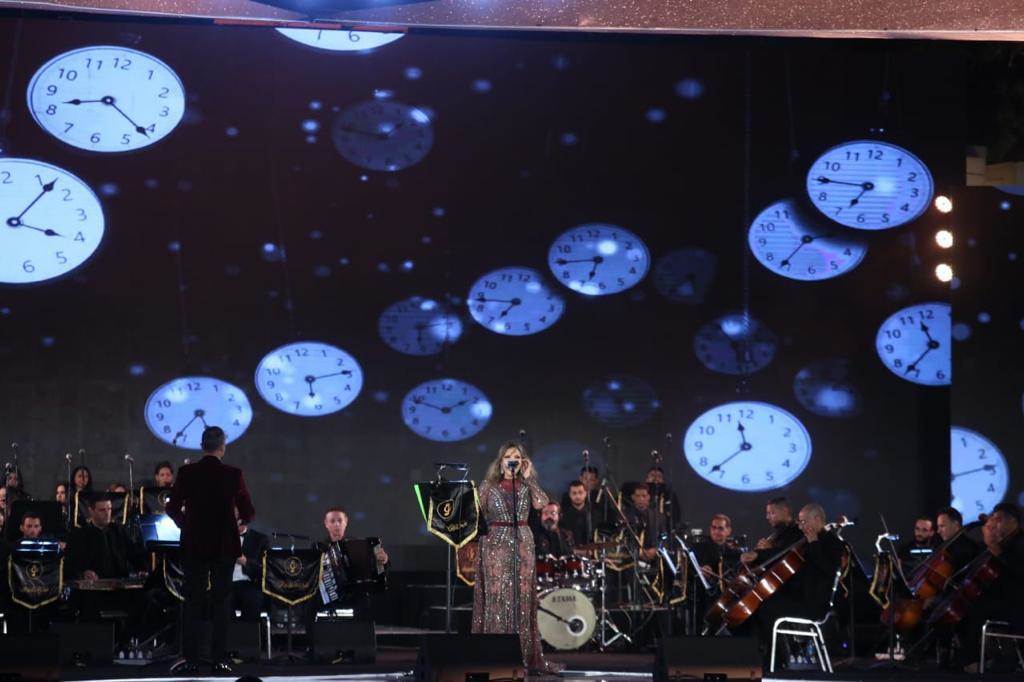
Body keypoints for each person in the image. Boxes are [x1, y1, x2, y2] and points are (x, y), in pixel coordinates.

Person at [166, 426, 254, 675]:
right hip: (224, 546)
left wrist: (186, 525)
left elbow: (171, 507)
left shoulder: (187, 473)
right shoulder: (233, 474)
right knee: (221, 602)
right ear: (222, 447)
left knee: (193, 601)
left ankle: (191, 658)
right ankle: (218, 659)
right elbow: (247, 509)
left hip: (194, 545)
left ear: (201, 446)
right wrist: (242, 521)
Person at [472, 441, 561, 674]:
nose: (513, 460)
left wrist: (529, 479)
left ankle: (523, 655)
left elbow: (542, 504)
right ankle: (494, 653)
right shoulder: (489, 486)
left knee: (521, 598)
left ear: (523, 462)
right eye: (509, 456)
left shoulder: (526, 486)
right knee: (498, 597)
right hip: (495, 542)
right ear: (501, 461)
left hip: (522, 541)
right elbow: (474, 512)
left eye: (518, 457)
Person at [750, 504, 846, 652]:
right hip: (799, 598)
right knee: (759, 604)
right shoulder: (805, 541)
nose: (800, 527)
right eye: (799, 522)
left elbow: (828, 569)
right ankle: (771, 653)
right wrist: (757, 555)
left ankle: (779, 655)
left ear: (817, 519)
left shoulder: (834, 543)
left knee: (765, 608)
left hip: (814, 604)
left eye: (803, 522)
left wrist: (813, 543)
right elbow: (783, 553)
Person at [956, 503, 1023, 671]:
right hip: (1000, 598)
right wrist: (989, 543)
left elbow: (1018, 572)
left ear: (1012, 522)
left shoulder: (1020, 542)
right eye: (993, 518)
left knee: (973, 609)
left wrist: (997, 551)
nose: (993, 523)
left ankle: (974, 660)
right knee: (964, 606)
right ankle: (977, 658)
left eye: (998, 519)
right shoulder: (1003, 541)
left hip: (1016, 603)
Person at [741, 497, 803, 566]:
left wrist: (768, 549)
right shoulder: (777, 534)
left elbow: (790, 557)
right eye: (767, 513)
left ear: (785, 511)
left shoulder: (798, 530)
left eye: (772, 513)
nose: (767, 517)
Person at [230, 508, 268, 621]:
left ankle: (249, 631)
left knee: (253, 600)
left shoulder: (259, 539)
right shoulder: (222, 539)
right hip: (226, 583)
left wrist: (244, 561)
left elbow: (264, 568)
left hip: (248, 583)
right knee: (219, 601)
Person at [693, 513, 742, 590]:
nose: (716, 531)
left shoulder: (736, 554)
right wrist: (701, 570)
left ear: (728, 531)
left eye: (720, 528)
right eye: (713, 528)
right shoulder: (698, 548)